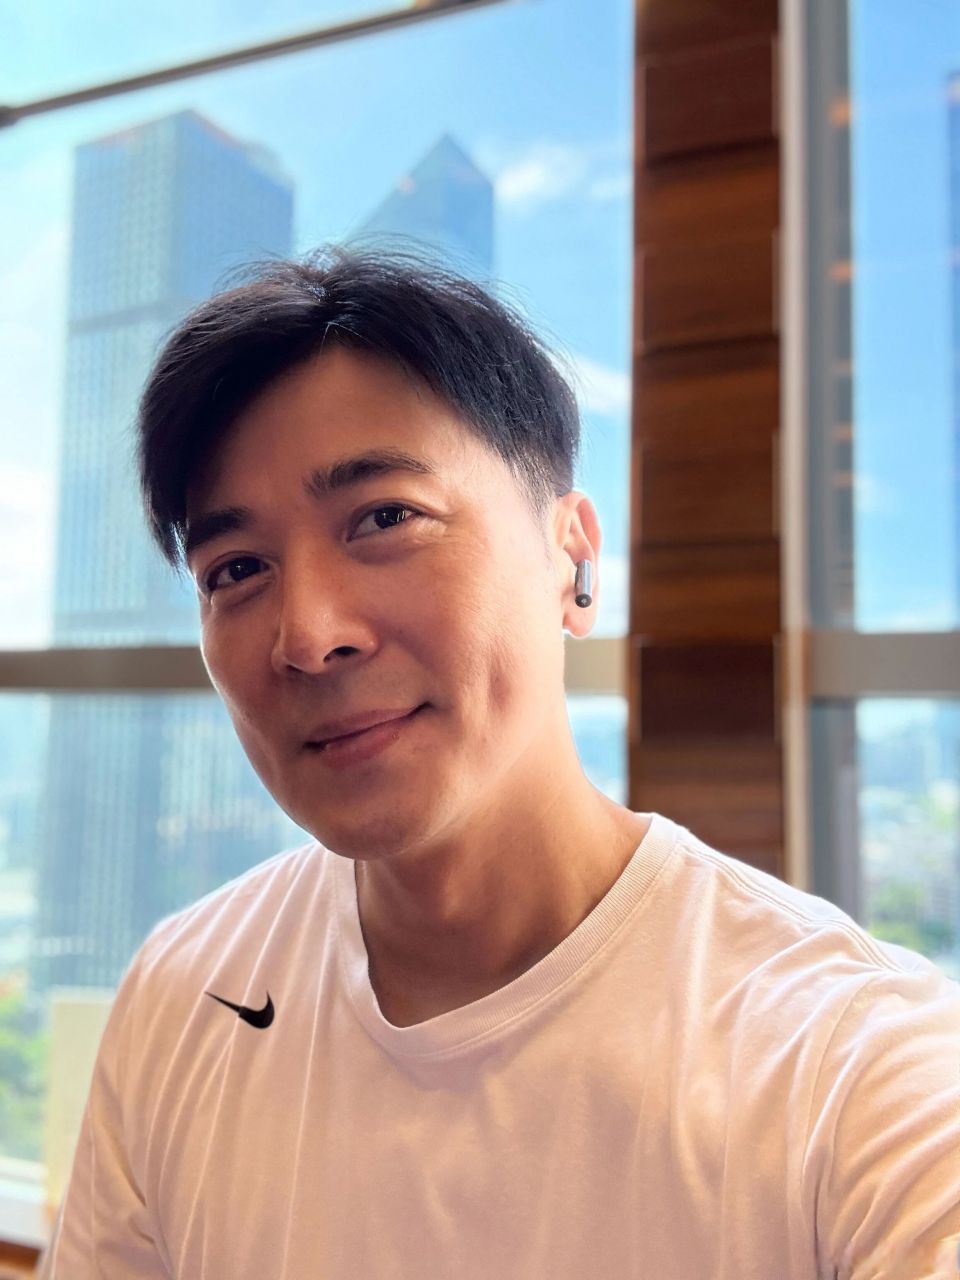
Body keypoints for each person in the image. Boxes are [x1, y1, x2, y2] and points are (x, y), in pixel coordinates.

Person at [39, 247, 960, 1279]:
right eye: (237, 569)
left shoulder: (854, 1062)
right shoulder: (186, 988)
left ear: (573, 558)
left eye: (386, 517)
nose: (309, 634)